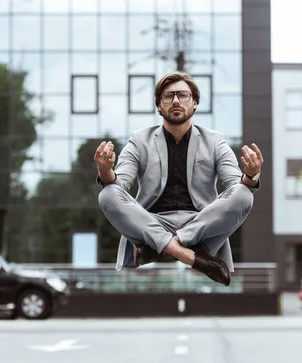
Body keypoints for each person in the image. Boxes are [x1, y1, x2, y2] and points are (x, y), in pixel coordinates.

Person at [94, 72, 263, 286]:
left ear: (194, 102)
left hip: (200, 225)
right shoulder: (139, 140)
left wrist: (250, 174)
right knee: (107, 194)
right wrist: (105, 170)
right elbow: (119, 185)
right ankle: (193, 257)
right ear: (159, 105)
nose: (175, 100)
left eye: (183, 95)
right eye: (168, 96)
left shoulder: (215, 141)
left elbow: (235, 186)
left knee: (243, 194)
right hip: (152, 223)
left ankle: (159, 249)